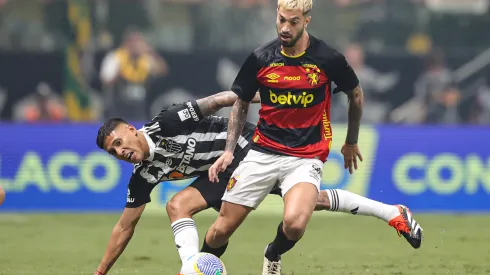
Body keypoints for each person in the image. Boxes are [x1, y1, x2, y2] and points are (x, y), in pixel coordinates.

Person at [92, 92, 423, 275]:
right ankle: (194, 268)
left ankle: (391, 212)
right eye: (114, 151)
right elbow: (124, 227)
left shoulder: (166, 122)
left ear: (132, 130)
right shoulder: (143, 176)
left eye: (120, 142)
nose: (121, 152)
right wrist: (100, 272)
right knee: (178, 205)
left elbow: (220, 100)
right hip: (220, 172)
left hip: (250, 149)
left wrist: (255, 92)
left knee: (308, 203)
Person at [205, 1, 422, 274]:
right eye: (281, 19)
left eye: (293, 22)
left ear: (306, 21)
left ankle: (273, 253)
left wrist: (351, 141)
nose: (285, 28)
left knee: (295, 223)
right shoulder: (260, 57)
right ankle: (198, 266)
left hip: (305, 156)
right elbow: (241, 102)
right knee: (220, 231)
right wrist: (228, 150)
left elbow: (356, 95)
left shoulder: (327, 58)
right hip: (262, 152)